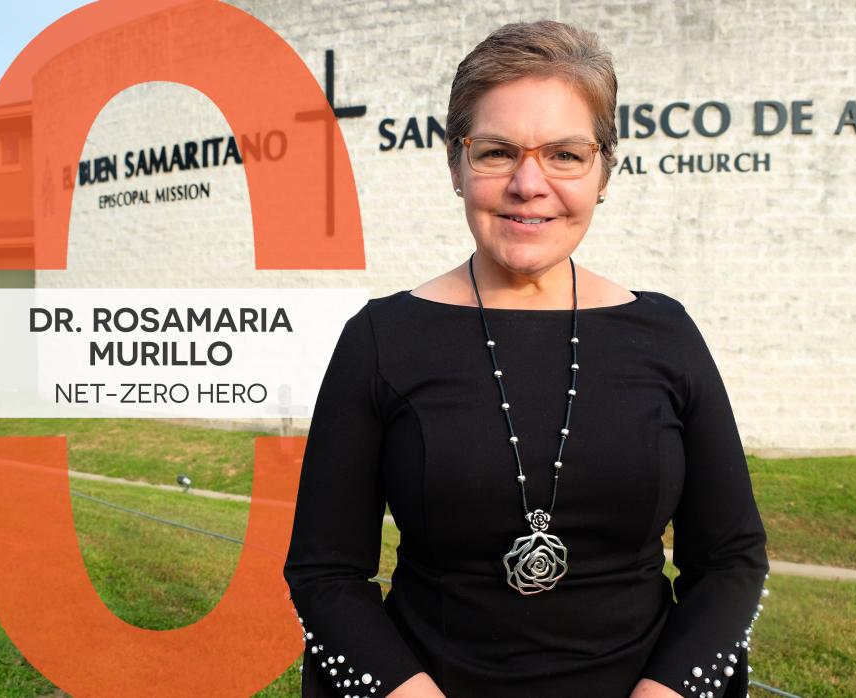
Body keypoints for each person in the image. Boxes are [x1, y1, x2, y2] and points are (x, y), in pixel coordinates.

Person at [284, 20, 769, 698]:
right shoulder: (379, 339)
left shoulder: (667, 333)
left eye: (566, 155)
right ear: (456, 165)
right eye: (497, 152)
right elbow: (325, 573)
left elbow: (730, 561)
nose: (528, 183)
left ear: (603, 171)